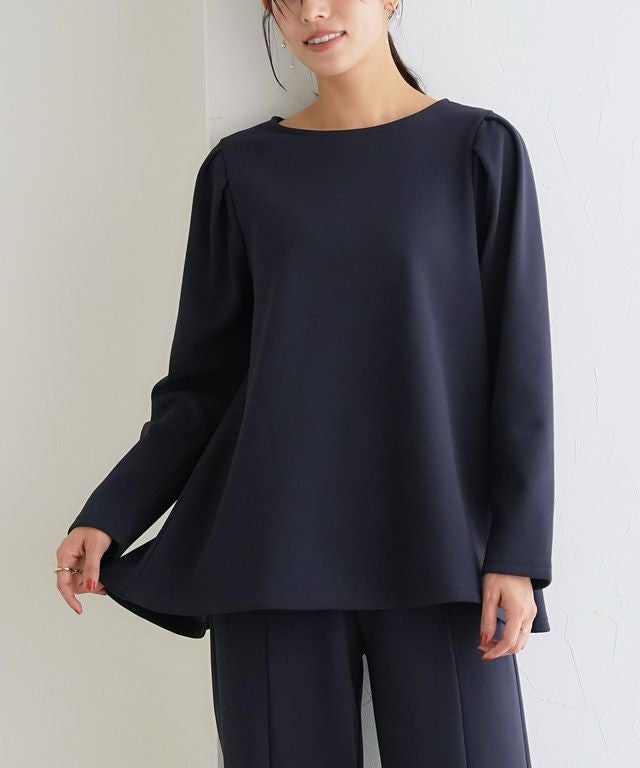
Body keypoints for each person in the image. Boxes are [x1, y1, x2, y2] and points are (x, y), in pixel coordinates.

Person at [55, 1, 555, 765]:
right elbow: (204, 383)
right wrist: (114, 510)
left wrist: (516, 553)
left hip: (442, 547)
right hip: (269, 554)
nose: (311, 12)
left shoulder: (477, 150)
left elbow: (519, 372)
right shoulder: (241, 172)